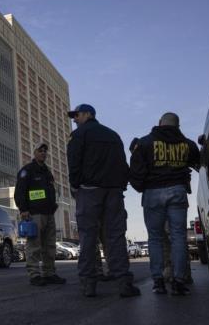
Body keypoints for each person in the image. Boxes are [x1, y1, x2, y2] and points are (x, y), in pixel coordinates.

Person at [67, 104, 140, 298]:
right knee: (115, 236)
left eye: (77, 115)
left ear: (88, 114)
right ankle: (124, 282)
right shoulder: (113, 135)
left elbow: (73, 163)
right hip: (113, 192)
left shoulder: (79, 135)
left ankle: (88, 285)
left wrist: (75, 186)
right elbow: (123, 164)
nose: (74, 119)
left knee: (88, 237)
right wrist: (120, 186)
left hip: (89, 191)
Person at [129, 112, 199, 296]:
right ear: (178, 126)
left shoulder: (144, 142)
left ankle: (158, 282)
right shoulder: (188, 144)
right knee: (178, 237)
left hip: (153, 192)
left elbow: (135, 170)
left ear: (160, 123)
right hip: (177, 191)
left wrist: (142, 186)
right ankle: (179, 280)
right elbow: (198, 162)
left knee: (155, 238)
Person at [14, 142, 67, 286]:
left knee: (50, 246)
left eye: (45, 151)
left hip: (49, 214)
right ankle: (34, 275)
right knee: (34, 245)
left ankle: (49, 273)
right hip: (34, 214)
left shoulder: (47, 172)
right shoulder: (27, 170)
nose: (43, 153)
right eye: (40, 150)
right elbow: (19, 192)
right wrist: (23, 209)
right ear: (34, 153)